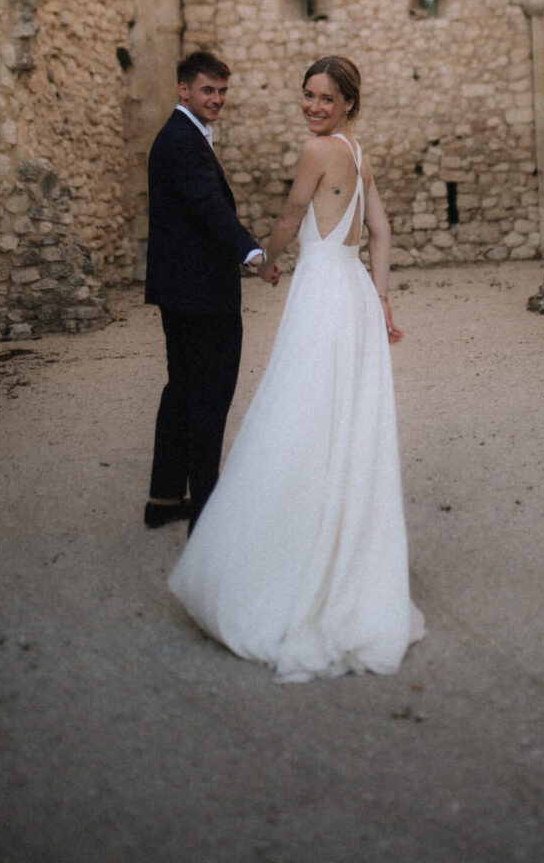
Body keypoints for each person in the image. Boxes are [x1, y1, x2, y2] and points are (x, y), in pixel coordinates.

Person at [168, 55, 425, 682]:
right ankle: (342, 554)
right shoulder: (357, 153)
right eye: (308, 96)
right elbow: (382, 229)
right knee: (345, 422)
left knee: (299, 413)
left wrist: (264, 260)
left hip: (322, 292)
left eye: (326, 99)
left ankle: (291, 563)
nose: (313, 107)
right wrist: (382, 295)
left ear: (347, 103)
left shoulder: (317, 153)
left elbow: (289, 215)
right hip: (355, 295)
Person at [143, 49, 276, 531]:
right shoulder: (182, 140)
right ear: (184, 90)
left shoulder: (181, 134)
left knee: (182, 389)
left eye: (222, 91)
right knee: (209, 395)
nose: (217, 99)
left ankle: (162, 499)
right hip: (201, 295)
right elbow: (207, 205)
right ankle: (205, 507)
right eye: (207, 90)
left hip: (181, 290)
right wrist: (252, 252)